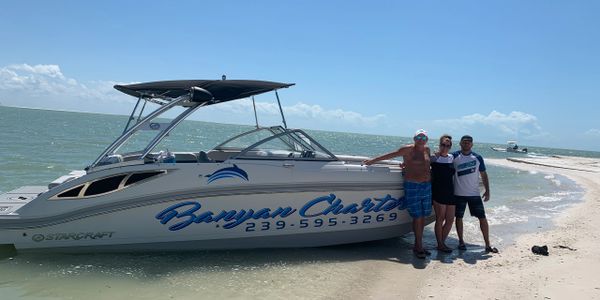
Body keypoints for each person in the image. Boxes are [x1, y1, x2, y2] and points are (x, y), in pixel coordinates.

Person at [364, 129, 432, 259]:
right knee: (417, 216)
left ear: (427, 140)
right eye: (419, 137)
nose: (421, 140)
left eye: (424, 138)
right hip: (413, 185)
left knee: (423, 216)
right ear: (414, 138)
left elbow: (428, 165)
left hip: (426, 186)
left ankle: (418, 245)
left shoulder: (427, 150)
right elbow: (391, 155)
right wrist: (373, 161)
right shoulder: (407, 149)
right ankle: (418, 247)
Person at [452, 135, 498, 253]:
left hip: (474, 194)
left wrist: (488, 190)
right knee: (459, 218)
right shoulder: (454, 156)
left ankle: (487, 244)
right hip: (458, 194)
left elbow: (484, 174)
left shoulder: (477, 157)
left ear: (472, 144)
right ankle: (461, 241)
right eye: (464, 142)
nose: (466, 144)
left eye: (469, 142)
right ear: (460, 143)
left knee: (482, 218)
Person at [430, 134, 455, 253]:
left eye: (448, 145)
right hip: (438, 191)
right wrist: (405, 165)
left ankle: (441, 243)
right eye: (443, 145)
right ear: (439, 145)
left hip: (450, 191)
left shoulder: (452, 158)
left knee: (450, 219)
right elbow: (421, 165)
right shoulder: (434, 157)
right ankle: (440, 244)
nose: (445, 147)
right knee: (440, 218)